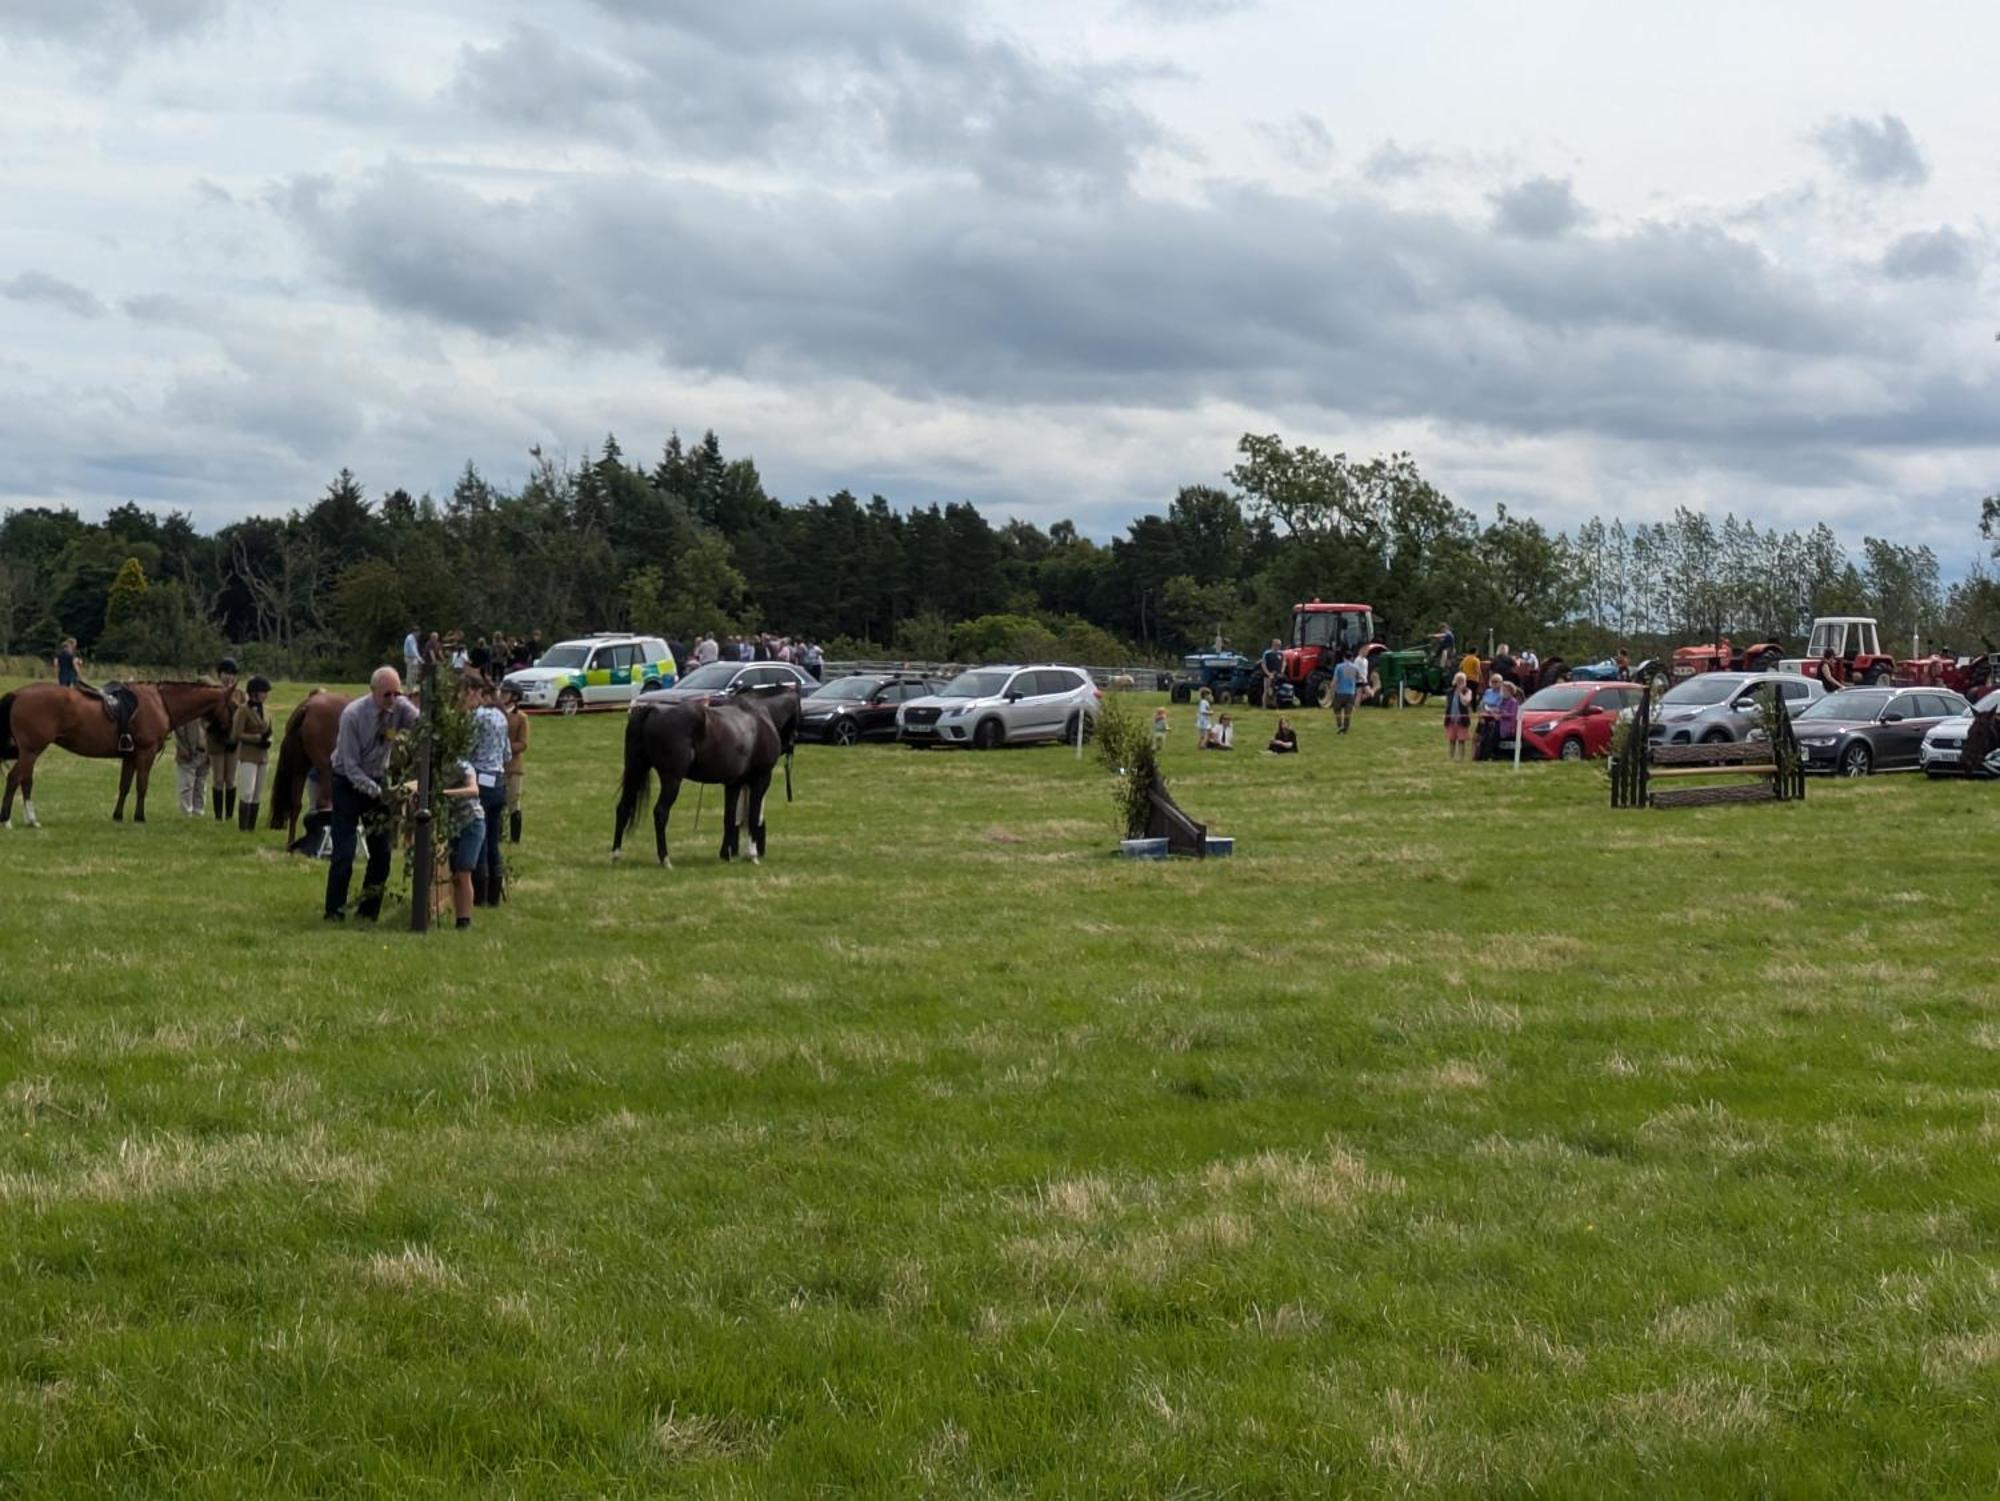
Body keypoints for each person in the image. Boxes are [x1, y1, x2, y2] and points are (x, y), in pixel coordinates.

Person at [324, 666, 420, 923]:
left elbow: (422, 724)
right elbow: (351, 766)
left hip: (378, 779)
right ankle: (334, 911)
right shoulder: (353, 715)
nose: (392, 700)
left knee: (382, 853)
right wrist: (380, 793)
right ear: (373, 691)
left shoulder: (399, 706)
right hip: (347, 782)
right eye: (386, 695)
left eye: (396, 694)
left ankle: (368, 911)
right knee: (344, 852)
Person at [469, 676, 511, 906]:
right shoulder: (502, 717)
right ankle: (495, 893)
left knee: (480, 838)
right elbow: (507, 755)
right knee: (494, 839)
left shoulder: (478, 717)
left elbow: (469, 748)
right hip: (499, 780)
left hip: (481, 780)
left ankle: (481, 894)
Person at [438, 758, 485, 931]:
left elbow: (474, 790)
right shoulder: (437, 766)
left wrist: (446, 793)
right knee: (456, 876)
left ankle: (464, 922)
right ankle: (460, 917)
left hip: (472, 823)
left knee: (464, 872)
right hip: (454, 826)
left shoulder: (463, 766)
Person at [232, 675, 274, 831]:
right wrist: (256, 738)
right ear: (255, 692)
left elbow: (269, 729)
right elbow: (236, 734)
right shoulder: (243, 710)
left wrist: (269, 739)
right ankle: (243, 827)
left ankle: (251, 827)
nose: (266, 695)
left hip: (263, 756)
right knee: (247, 792)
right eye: (264, 692)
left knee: (257, 793)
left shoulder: (267, 710)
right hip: (248, 755)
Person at [206, 657, 243, 822]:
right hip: (216, 738)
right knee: (218, 778)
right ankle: (218, 816)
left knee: (231, 779)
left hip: (233, 740)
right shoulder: (212, 692)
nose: (229, 678)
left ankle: (228, 815)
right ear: (220, 674)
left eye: (232, 674)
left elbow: (244, 714)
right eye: (226, 674)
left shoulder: (240, 694)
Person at [501, 682, 529, 845]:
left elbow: (523, 743)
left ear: (515, 697)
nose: (503, 695)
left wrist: (505, 747)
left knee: (513, 803)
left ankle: (515, 838)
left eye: (507, 693)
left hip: (513, 767)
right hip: (498, 766)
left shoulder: (521, 718)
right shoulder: (497, 714)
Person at [173, 718, 209, 817]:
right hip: (188, 752)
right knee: (187, 785)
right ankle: (186, 811)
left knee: (201, 784)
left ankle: (199, 811)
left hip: (205, 751)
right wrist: (183, 748)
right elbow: (178, 730)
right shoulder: (187, 711)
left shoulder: (207, 710)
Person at [1443, 671, 1473, 760]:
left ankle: (1461, 758)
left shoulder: (1467, 691)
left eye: (1462, 680)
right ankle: (1451, 757)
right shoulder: (1450, 692)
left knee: (1461, 740)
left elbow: (1466, 702)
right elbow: (1448, 704)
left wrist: (1460, 693)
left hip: (1462, 720)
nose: (1460, 682)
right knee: (1451, 740)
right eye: (1458, 680)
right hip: (1451, 719)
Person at [1331, 652, 1363, 734]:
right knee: (1348, 712)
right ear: (1352, 657)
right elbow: (1361, 678)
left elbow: (1335, 680)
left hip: (1340, 692)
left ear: (1343, 657)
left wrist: (1332, 688)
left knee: (1337, 709)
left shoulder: (1339, 667)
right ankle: (1345, 729)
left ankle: (1339, 725)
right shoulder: (1355, 667)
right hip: (1351, 693)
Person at [1474, 674, 1504, 761]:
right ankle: (1476, 755)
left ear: (1501, 683)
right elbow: (1481, 704)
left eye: (1496, 682)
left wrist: (1490, 711)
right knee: (1477, 737)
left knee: (1488, 738)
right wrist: (1481, 714)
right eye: (1492, 681)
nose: (1494, 683)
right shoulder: (1488, 691)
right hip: (1483, 716)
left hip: (1493, 719)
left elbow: (1499, 706)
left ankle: (1486, 755)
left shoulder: (1502, 694)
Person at [1496, 681, 1522, 755]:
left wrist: (1501, 713)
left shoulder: (1514, 702)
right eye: (1502, 690)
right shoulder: (1501, 701)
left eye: (1504, 690)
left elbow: (1513, 715)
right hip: (1501, 726)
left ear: (1510, 691)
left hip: (1509, 727)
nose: (1502, 692)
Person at [1260, 638, 1284, 709]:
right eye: (1277, 645)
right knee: (1266, 690)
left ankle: (1274, 705)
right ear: (1273, 644)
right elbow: (1263, 664)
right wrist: (1268, 673)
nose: (1279, 646)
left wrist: (1282, 671)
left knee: (1276, 690)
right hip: (1268, 674)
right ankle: (1264, 706)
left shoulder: (1281, 653)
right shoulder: (1267, 653)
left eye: (1280, 645)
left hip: (1277, 674)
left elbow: (1284, 663)